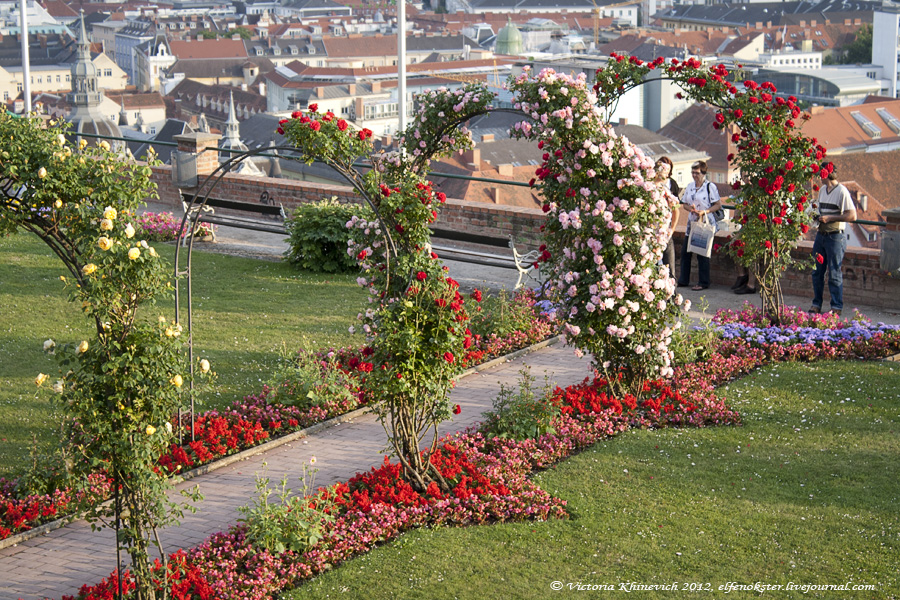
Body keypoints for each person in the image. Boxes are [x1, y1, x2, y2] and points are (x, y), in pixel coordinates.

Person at [810, 164, 856, 316]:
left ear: (826, 175)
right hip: (821, 235)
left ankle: (836, 306)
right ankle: (816, 303)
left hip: (835, 236)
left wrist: (831, 217)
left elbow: (852, 215)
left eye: (820, 174)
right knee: (817, 271)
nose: (818, 177)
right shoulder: (823, 190)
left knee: (834, 272)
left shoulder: (842, 191)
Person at [677, 161, 723, 291]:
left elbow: (718, 205)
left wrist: (705, 211)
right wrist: (690, 209)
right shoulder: (690, 186)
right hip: (692, 223)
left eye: (697, 173)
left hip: (704, 223)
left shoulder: (710, 186)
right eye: (693, 172)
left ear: (703, 173)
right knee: (685, 252)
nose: (694, 175)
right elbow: (684, 203)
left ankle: (703, 282)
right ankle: (683, 280)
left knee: (702, 253)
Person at [654, 156, 680, 278]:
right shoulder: (647, 188)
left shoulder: (666, 189)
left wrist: (672, 230)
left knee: (670, 270)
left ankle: (672, 295)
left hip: (665, 233)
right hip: (652, 234)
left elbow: (676, 210)